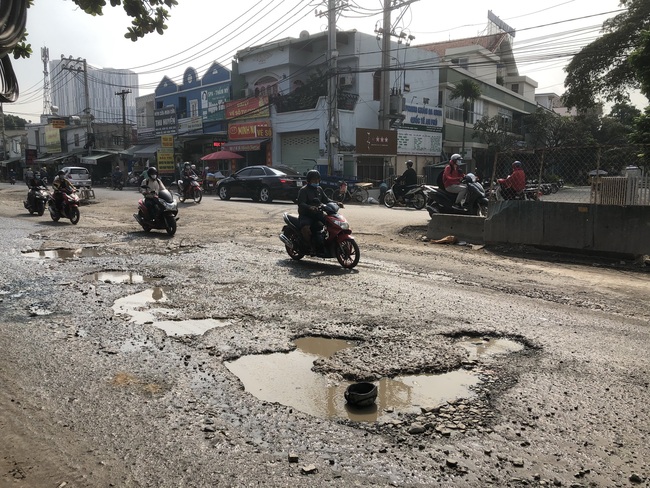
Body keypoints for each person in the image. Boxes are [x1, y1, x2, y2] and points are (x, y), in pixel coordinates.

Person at [297, 170, 335, 251]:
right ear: (309, 180)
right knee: (306, 229)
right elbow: (301, 203)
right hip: (306, 215)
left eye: (317, 179)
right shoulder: (303, 190)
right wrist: (309, 207)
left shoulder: (319, 189)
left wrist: (336, 203)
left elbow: (326, 200)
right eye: (314, 180)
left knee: (331, 223)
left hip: (318, 213)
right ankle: (309, 246)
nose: (316, 181)